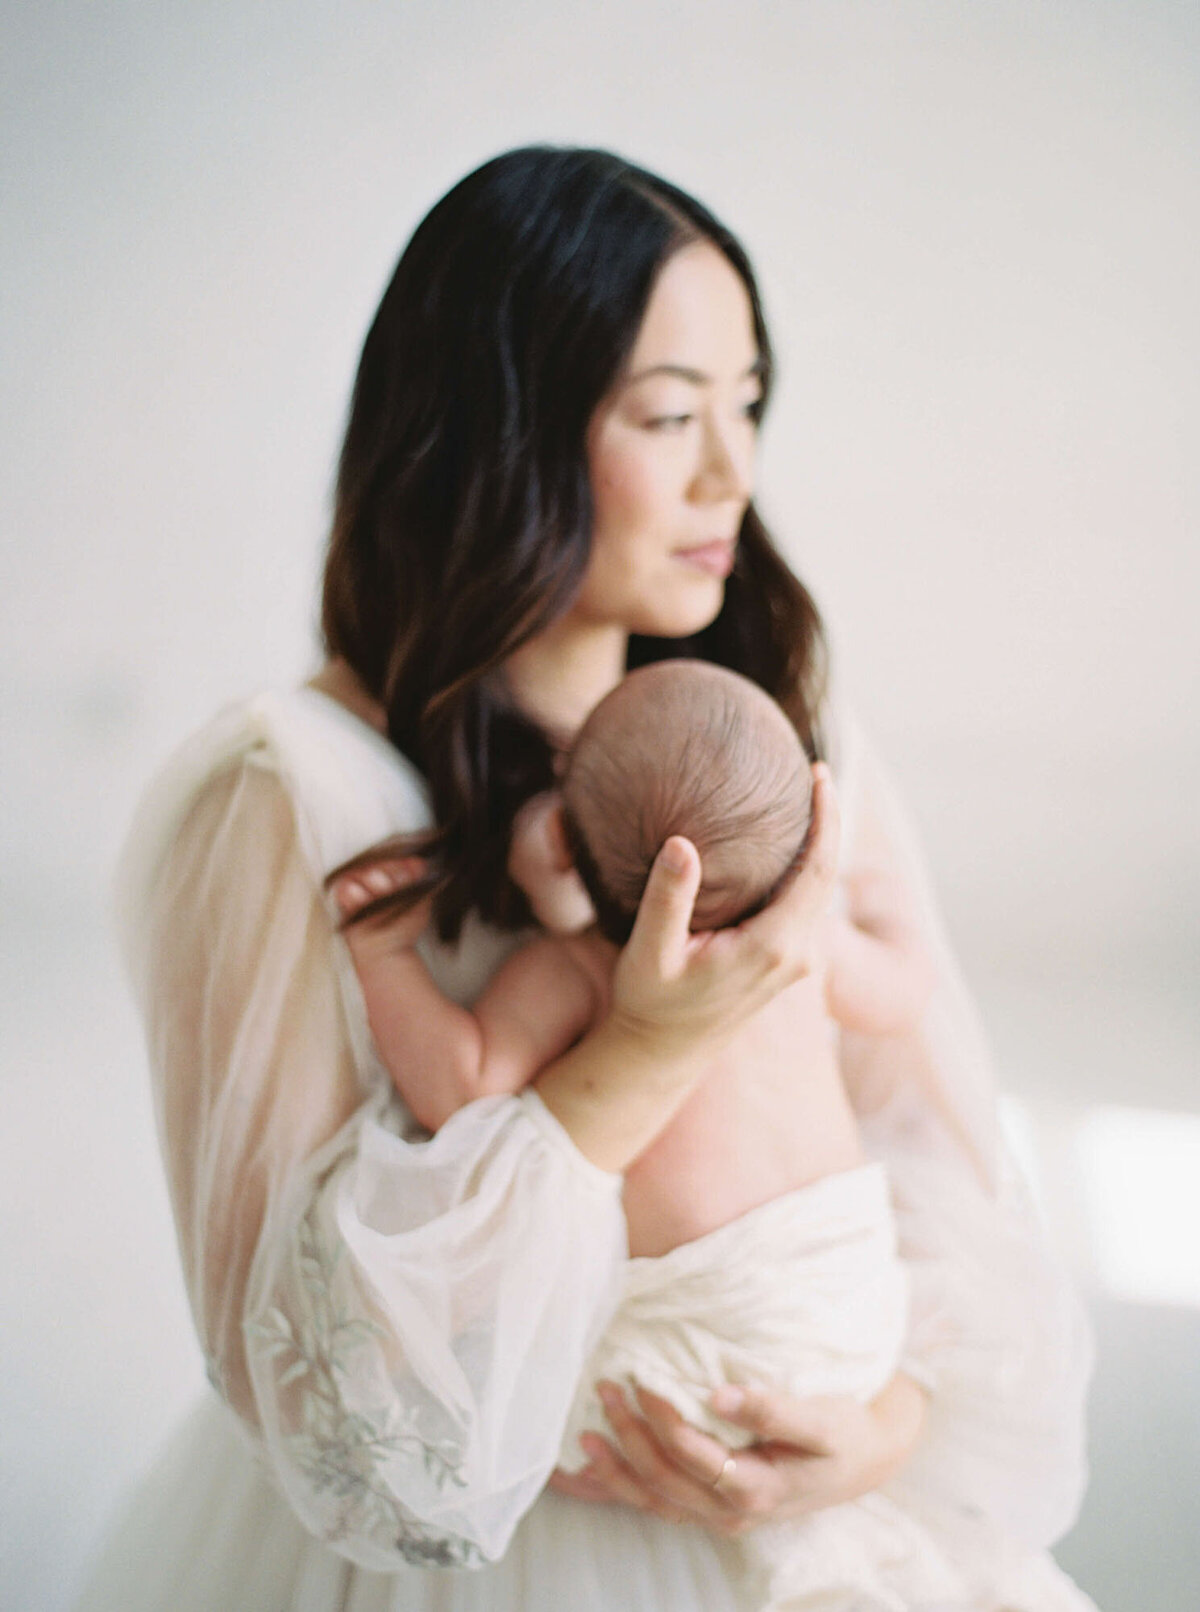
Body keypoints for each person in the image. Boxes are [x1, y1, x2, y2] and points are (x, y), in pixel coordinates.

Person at [75, 147, 1095, 1612]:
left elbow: (939, 1159)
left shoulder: (780, 747)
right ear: (500, 435)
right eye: (672, 413)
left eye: (746, 405)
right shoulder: (296, 799)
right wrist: (638, 1053)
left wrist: (881, 1430)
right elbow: (299, 1378)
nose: (731, 471)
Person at [331, 656, 1096, 1610]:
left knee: (540, 1395)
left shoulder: (573, 970)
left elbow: (465, 1088)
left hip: (673, 1385)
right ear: (801, 849)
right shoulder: (804, 949)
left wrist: (382, 960)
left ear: (565, 851)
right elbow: (906, 988)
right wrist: (880, 895)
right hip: (851, 1327)